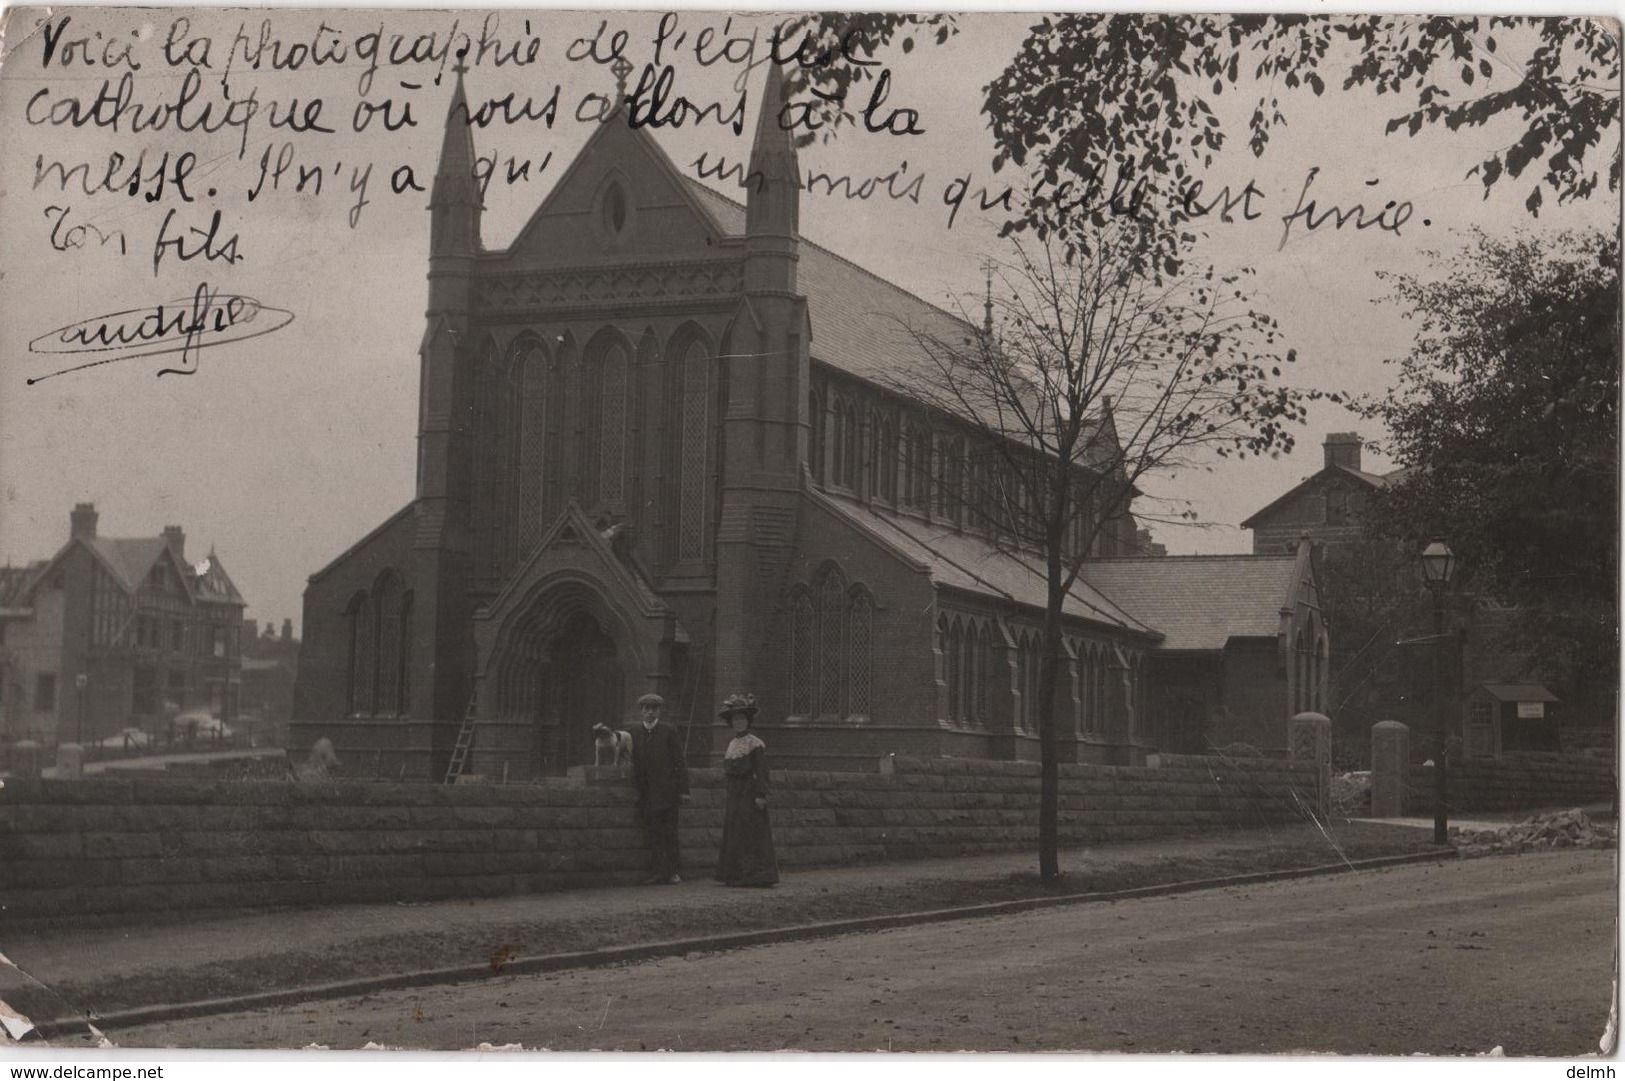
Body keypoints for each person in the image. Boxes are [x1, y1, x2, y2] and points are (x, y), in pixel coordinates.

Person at [713, 693, 779, 888]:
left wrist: (761, 794)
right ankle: (734, 874)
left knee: (750, 831)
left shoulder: (754, 743)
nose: (739, 723)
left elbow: (762, 771)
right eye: (735, 719)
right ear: (731, 723)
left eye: (742, 719)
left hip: (749, 795)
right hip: (735, 795)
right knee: (735, 831)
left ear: (747, 721)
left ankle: (756, 875)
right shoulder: (732, 745)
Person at [630, 692, 689, 885]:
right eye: (646, 709)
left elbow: (679, 761)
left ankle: (673, 871)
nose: (649, 713)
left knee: (670, 832)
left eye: (653, 709)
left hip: (667, 793)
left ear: (659, 711)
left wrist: (683, 790)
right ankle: (659, 871)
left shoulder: (668, 731)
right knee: (653, 833)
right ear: (641, 711)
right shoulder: (634, 732)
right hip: (647, 793)